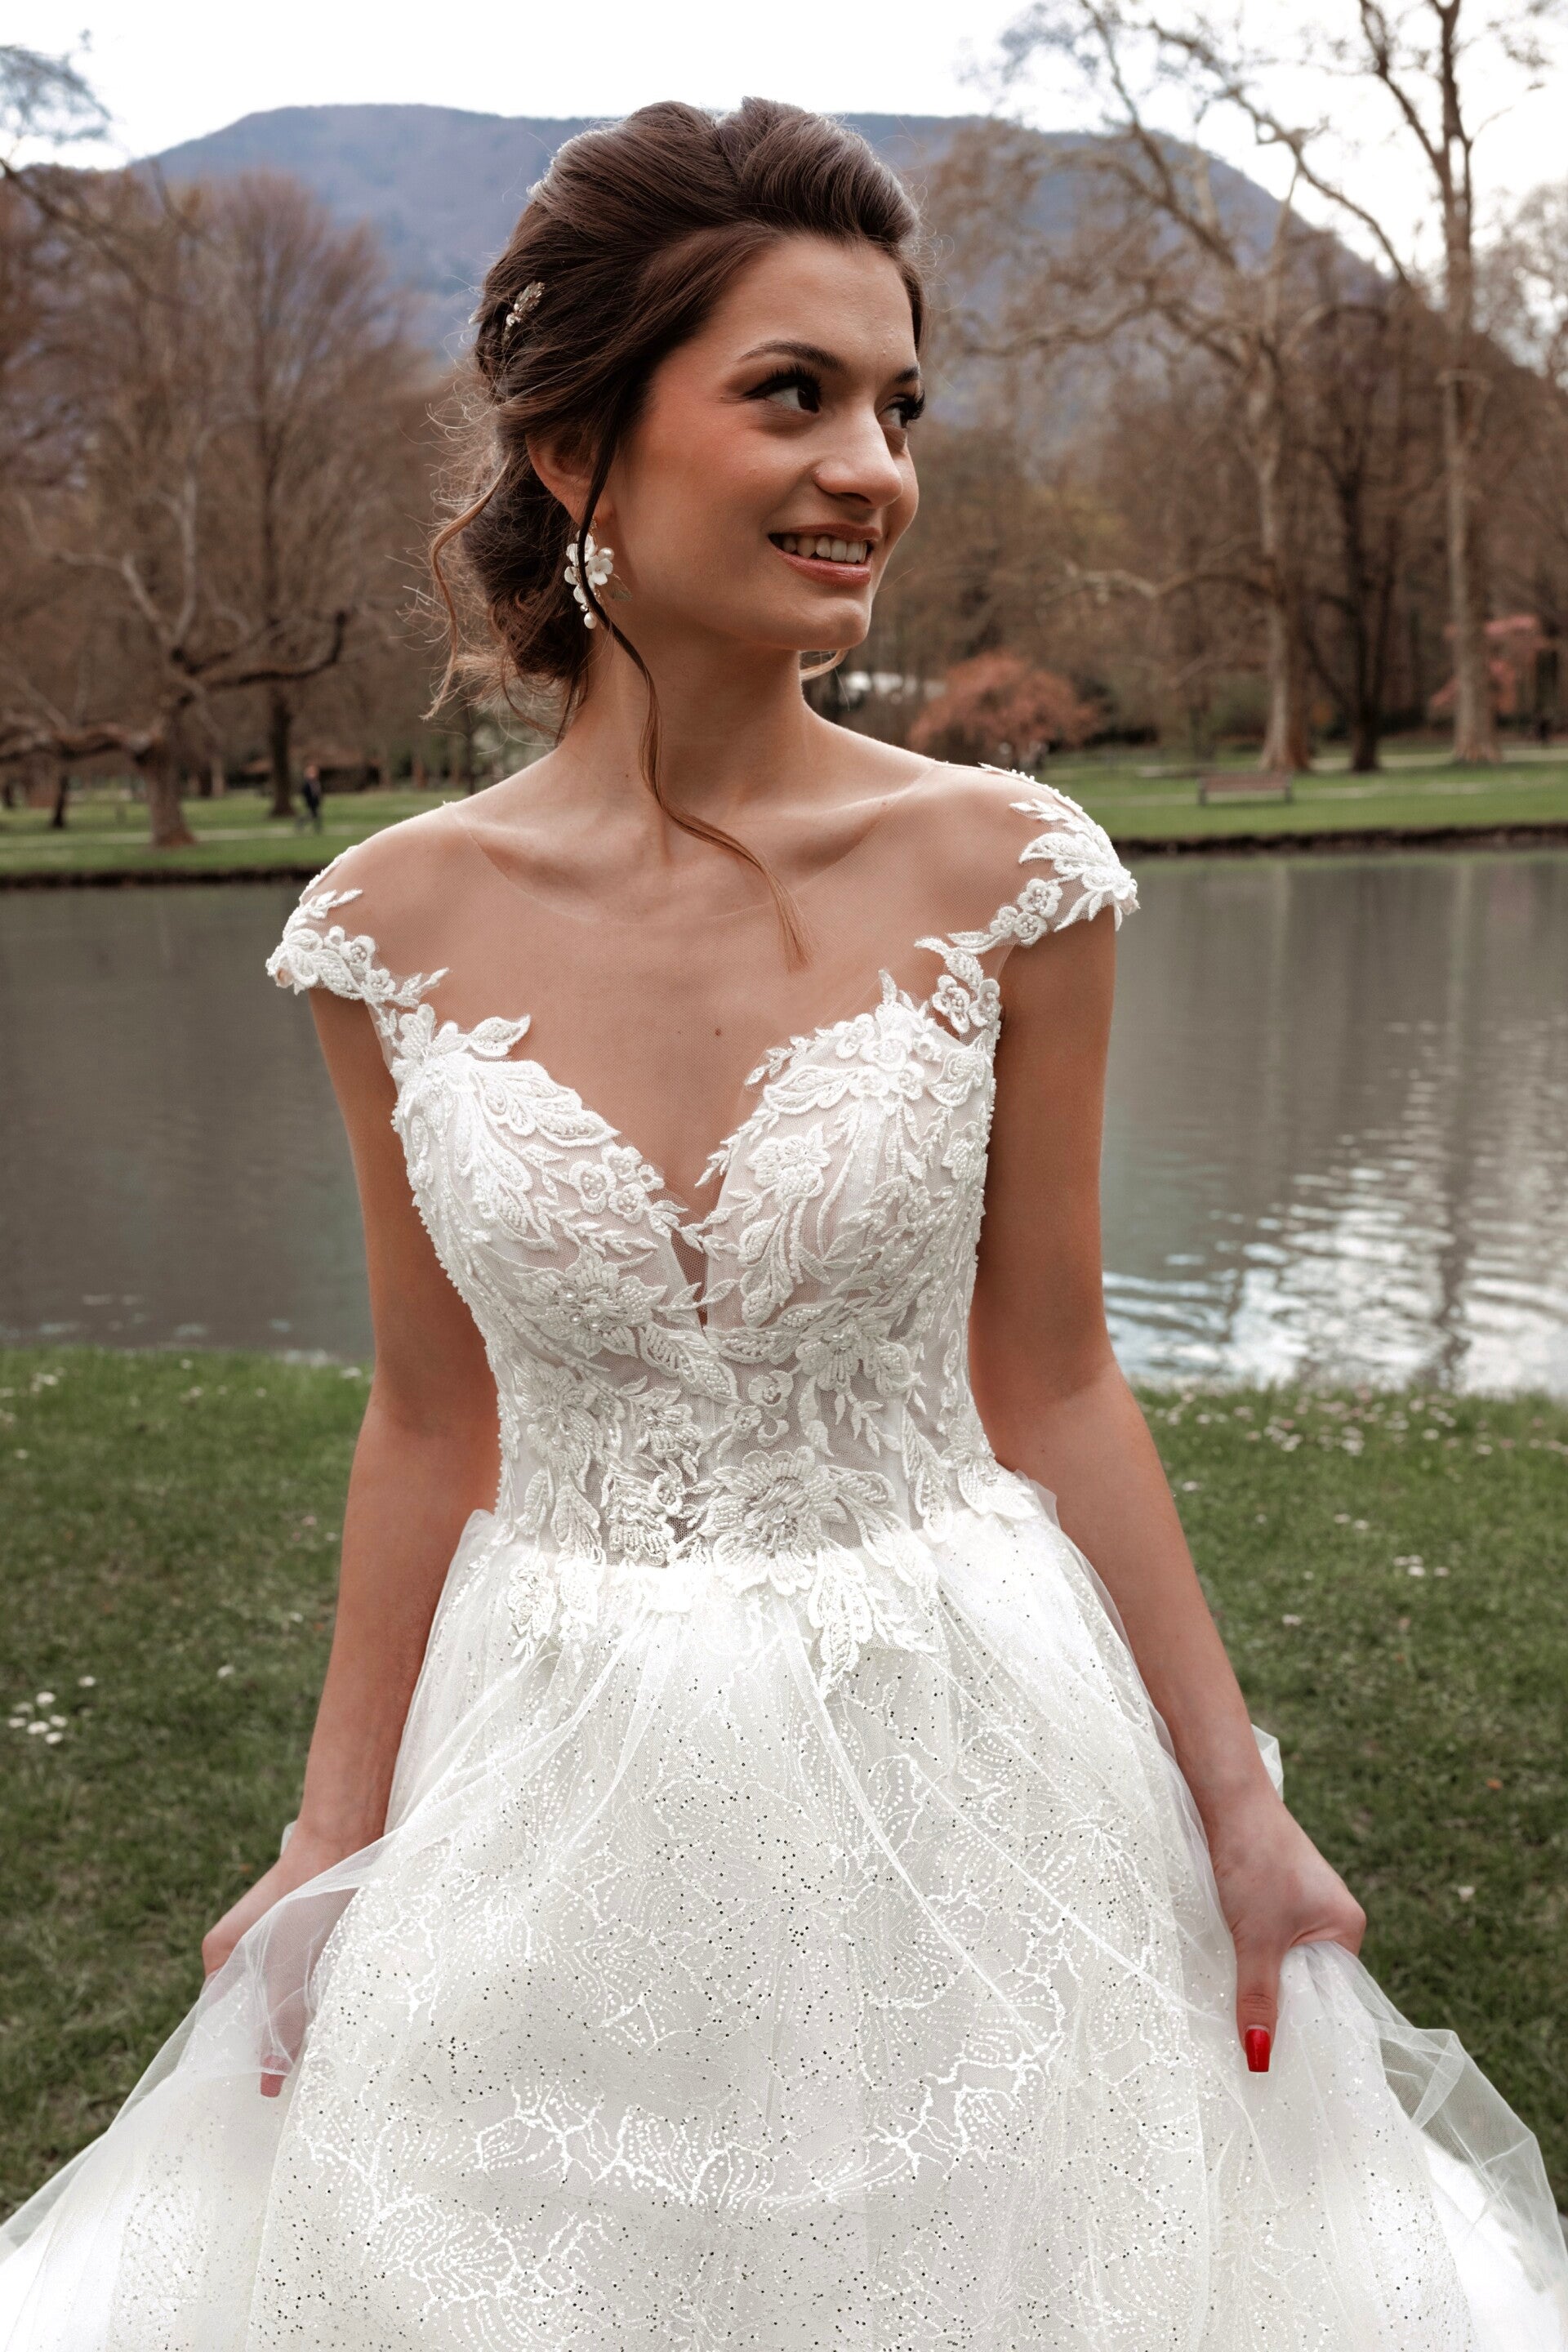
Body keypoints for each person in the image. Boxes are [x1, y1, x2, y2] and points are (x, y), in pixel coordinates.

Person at [1, 100, 1563, 2352]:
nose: (872, 471)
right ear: (576, 449)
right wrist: (331, 1838)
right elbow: (429, 1420)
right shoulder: (387, 926)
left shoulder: (1010, 874)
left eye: (898, 407)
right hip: (545, 1759)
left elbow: (1056, 1376)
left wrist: (1238, 1807)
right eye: (793, 394)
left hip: (960, 1741)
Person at [297, 759, 324, 833]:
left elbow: (317, 792)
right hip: (311, 802)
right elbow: (306, 793)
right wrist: (309, 801)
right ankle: (301, 823)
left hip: (315, 801)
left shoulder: (316, 782)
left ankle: (317, 828)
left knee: (315, 815)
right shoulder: (307, 784)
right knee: (313, 815)